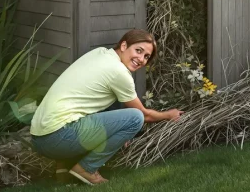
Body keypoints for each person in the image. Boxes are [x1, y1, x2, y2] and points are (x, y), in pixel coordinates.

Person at [30, 29, 183, 185]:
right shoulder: (119, 73)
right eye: (138, 50)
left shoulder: (100, 53)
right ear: (124, 45)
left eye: (146, 57)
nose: (141, 59)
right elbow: (144, 115)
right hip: (56, 138)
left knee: (111, 103)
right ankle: (86, 169)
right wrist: (168, 115)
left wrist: (116, 131)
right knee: (135, 118)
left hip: (38, 138)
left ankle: (64, 165)